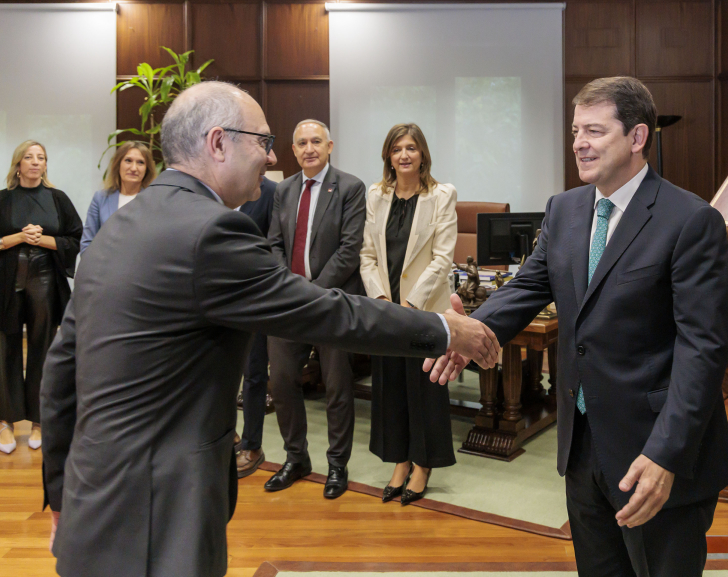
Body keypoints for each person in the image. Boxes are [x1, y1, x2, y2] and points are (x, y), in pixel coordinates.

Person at [40, 81, 500, 577]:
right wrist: (443, 329)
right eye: (262, 140)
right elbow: (330, 313)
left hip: (92, 497)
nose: (274, 154)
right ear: (218, 143)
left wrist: (62, 494)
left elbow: (60, 371)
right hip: (159, 511)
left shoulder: (119, 230)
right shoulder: (211, 231)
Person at [427, 77, 728, 577]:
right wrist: (470, 332)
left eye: (594, 130)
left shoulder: (690, 220)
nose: (579, 144)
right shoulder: (565, 209)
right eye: (575, 131)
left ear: (637, 137)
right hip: (583, 442)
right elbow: (527, 287)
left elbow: (703, 351)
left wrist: (666, 454)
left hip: (655, 451)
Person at [263, 119, 366, 498]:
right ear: (293, 150)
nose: (309, 148)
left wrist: (313, 292)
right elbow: (274, 243)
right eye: (302, 142)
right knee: (283, 381)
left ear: (330, 146)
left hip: (332, 303)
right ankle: (296, 457)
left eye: (316, 142)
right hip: (288, 304)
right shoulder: (284, 190)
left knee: (337, 386)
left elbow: (349, 251)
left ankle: (337, 465)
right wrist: (289, 288)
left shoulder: (350, 187)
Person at [360, 123, 458, 505]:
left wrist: (410, 304)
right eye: (397, 148)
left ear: (422, 155)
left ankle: (423, 464)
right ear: (388, 155)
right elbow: (367, 255)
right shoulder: (376, 195)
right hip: (386, 309)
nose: (404, 155)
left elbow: (442, 257)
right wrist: (382, 298)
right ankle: (399, 461)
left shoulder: (441, 195)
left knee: (424, 388)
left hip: (423, 310)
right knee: (389, 387)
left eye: (411, 148)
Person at [0, 141, 82, 455]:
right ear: (17, 164)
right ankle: (4, 421)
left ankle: (39, 420)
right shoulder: (3, 199)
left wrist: (42, 239)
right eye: (29, 157)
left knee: (43, 349)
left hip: (45, 281)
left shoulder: (57, 198)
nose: (36, 162)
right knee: (5, 349)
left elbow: (76, 237)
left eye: (41, 158)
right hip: (5, 284)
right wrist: (19, 237)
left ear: (45, 165)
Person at [235, 174, 278, 476]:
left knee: (253, 373)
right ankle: (227, 437)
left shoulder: (271, 192)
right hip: (214, 295)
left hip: (253, 296)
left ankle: (252, 444)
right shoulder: (209, 189)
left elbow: (275, 246)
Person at [80, 141, 156, 253]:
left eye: (140, 162)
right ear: (118, 164)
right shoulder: (100, 198)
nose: (134, 168)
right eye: (128, 161)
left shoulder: (154, 200)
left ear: (147, 169)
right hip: (104, 268)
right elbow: (87, 244)